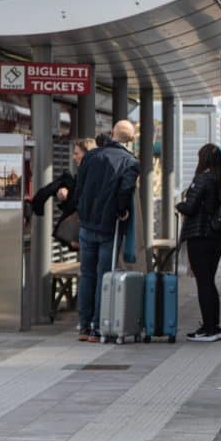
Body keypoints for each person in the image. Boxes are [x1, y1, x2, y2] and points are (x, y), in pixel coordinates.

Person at [74, 120, 140, 342]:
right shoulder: (130, 162)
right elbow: (125, 191)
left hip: (87, 224)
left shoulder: (91, 156)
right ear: (131, 139)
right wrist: (121, 211)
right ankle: (98, 326)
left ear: (112, 133)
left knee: (86, 274)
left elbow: (79, 186)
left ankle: (84, 326)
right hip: (110, 227)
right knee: (104, 276)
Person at [176, 143, 221, 342]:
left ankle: (210, 328)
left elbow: (190, 208)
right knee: (209, 281)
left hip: (200, 236)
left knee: (204, 283)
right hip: (217, 238)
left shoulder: (202, 179)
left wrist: (179, 204)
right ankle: (213, 326)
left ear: (203, 159)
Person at [30, 138, 97, 250]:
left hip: (92, 233)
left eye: (76, 153)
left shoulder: (93, 176)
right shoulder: (82, 174)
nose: (73, 157)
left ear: (87, 154)